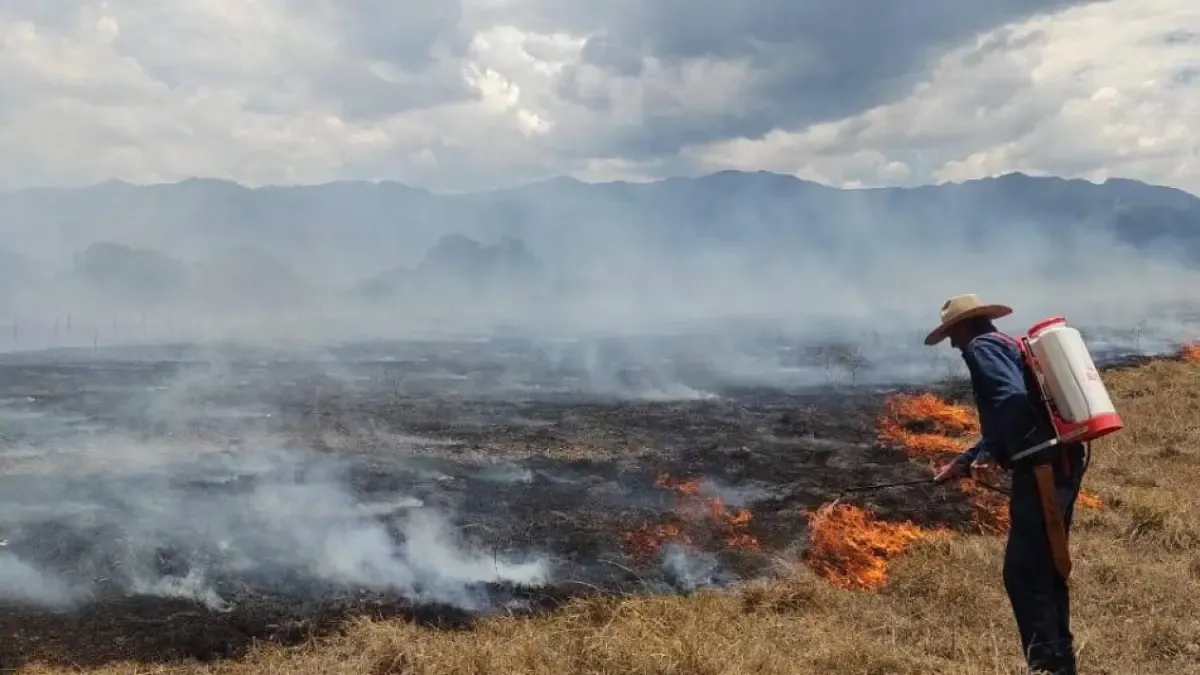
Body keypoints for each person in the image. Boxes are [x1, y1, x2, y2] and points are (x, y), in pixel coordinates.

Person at [925, 294, 1088, 675]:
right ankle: (1059, 662)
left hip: (1043, 470)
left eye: (952, 334)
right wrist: (965, 461)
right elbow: (1010, 414)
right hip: (1057, 462)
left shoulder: (981, 348)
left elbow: (1011, 402)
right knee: (1046, 565)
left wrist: (989, 454)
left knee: (1026, 572)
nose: (953, 344)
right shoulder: (1002, 343)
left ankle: (1048, 665)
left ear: (964, 326)